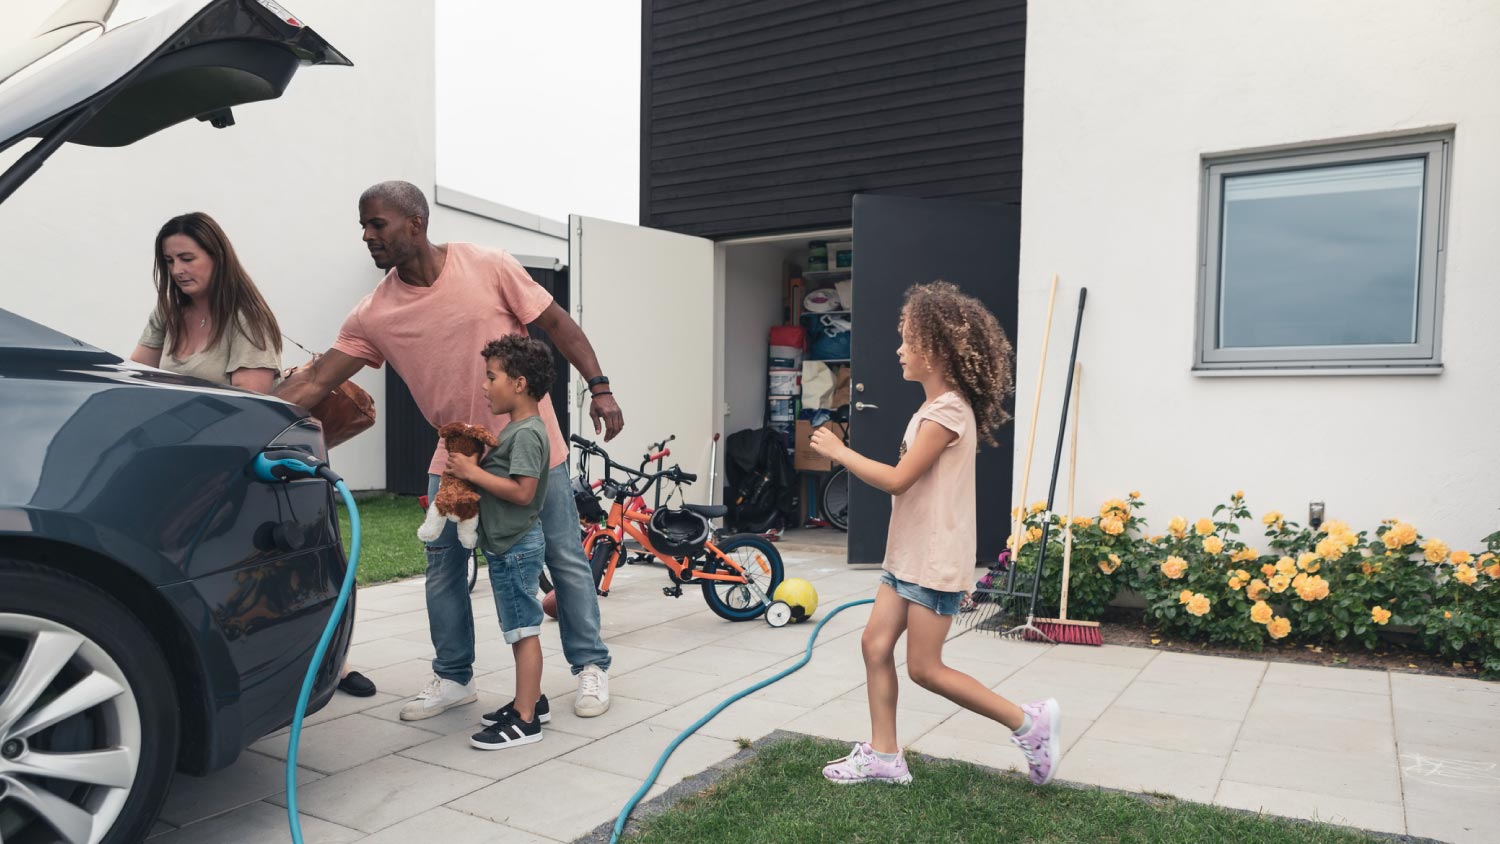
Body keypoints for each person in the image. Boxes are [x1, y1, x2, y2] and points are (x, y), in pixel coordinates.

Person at [274, 181, 619, 721]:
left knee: (564, 556)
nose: (367, 236)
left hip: (531, 444)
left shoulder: (489, 265)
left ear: (416, 223)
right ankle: (454, 676)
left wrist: (599, 387)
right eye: (363, 226)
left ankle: (590, 666)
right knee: (444, 564)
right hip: (455, 453)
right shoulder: (374, 314)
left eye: (377, 224)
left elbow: (557, 324)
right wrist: (241, 415)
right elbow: (318, 379)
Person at [809, 280, 1060, 787]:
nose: (899, 349)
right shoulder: (932, 409)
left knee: (925, 667)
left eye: (907, 339)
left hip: (933, 558)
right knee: (874, 646)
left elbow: (900, 480)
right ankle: (883, 755)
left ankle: (1029, 724)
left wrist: (840, 452)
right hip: (906, 556)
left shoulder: (947, 412)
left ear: (937, 350)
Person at [131, 211, 377, 698]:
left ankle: (333, 659)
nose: (178, 269)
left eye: (187, 257)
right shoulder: (167, 312)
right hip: (186, 460)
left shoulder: (246, 319)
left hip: (242, 460)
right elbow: (136, 376)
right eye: (169, 260)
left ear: (216, 257)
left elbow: (251, 410)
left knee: (286, 568)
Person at [446, 335, 554, 749]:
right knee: (518, 628)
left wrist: (472, 474)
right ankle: (533, 700)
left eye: (492, 377)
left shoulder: (526, 433)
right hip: (511, 545)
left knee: (523, 631)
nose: (485, 386)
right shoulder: (517, 430)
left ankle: (526, 721)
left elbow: (523, 491)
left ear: (520, 383)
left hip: (515, 547)